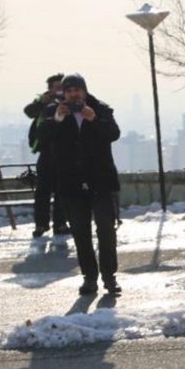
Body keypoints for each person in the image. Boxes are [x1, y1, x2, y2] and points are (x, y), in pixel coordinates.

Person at [38, 73, 122, 295]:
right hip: (70, 183)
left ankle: (109, 276)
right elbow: (43, 137)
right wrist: (56, 119)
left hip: (100, 180)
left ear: (84, 91)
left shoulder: (100, 108)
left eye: (78, 90)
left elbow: (113, 133)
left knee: (106, 230)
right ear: (64, 94)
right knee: (80, 232)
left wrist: (94, 119)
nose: (74, 94)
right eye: (69, 91)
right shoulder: (52, 112)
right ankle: (89, 277)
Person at [24, 73, 69, 237]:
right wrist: (42, 102)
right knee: (42, 191)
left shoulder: (69, 102)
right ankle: (41, 225)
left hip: (64, 154)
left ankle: (60, 224)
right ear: (49, 90)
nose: (60, 91)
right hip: (46, 153)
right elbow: (28, 111)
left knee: (61, 192)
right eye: (57, 88)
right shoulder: (43, 104)